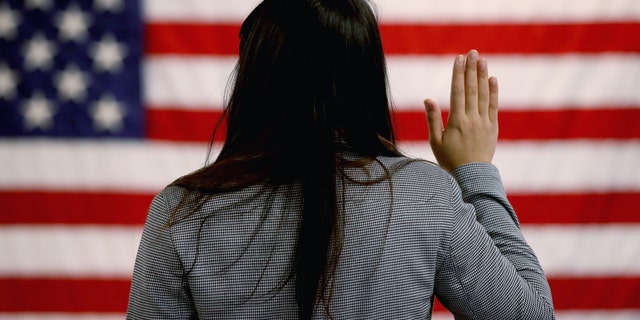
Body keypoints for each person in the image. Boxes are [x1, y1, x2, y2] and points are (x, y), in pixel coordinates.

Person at [127, 0, 555, 318]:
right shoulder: (423, 195)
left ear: (252, 81)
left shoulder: (180, 209)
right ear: (365, 77)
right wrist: (474, 172)